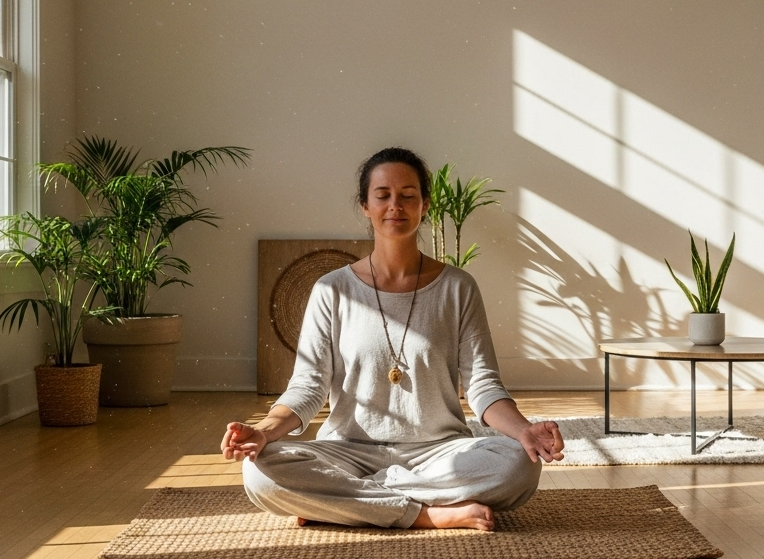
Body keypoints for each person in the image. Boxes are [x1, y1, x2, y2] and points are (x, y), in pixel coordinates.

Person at [221, 147, 565, 531]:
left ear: (424, 205)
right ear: (365, 206)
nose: (395, 206)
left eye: (408, 195)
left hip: (439, 453)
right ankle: (425, 514)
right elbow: (308, 386)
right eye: (382, 195)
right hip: (346, 451)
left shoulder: (457, 288)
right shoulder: (331, 290)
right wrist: (263, 432)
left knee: (518, 463)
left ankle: (342, 501)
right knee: (259, 472)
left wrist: (524, 431)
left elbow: (483, 384)